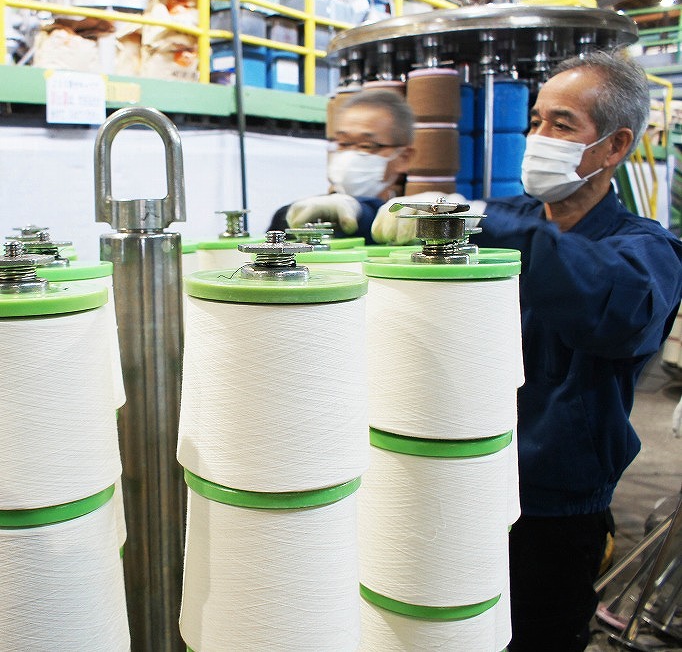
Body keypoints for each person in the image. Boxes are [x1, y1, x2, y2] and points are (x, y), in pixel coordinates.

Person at [372, 49, 682, 652]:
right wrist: (355, 214)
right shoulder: (506, 219)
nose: (539, 137)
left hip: (552, 509)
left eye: (562, 124)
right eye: (536, 121)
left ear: (615, 146)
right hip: (450, 474)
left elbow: (615, 312)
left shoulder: (644, 250)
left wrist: (482, 222)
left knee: (536, 637)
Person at [267, 88, 415, 243]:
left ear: (404, 158)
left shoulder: (409, 221)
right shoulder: (296, 215)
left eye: (366, 145)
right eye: (343, 143)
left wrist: (359, 211)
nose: (350, 155)